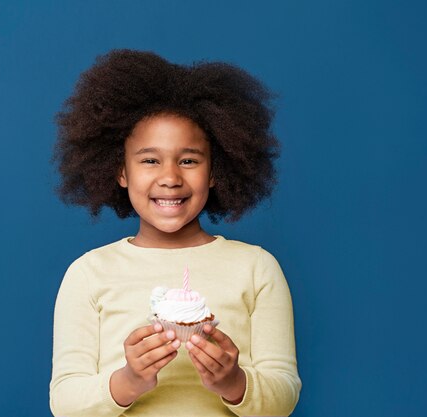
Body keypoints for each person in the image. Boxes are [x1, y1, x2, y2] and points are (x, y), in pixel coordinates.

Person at [49, 49, 301, 417]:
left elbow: (284, 395)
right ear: (121, 172)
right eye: (150, 160)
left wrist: (234, 382)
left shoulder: (257, 268)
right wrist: (129, 380)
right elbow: (65, 403)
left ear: (216, 172)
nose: (170, 178)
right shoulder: (88, 274)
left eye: (189, 160)